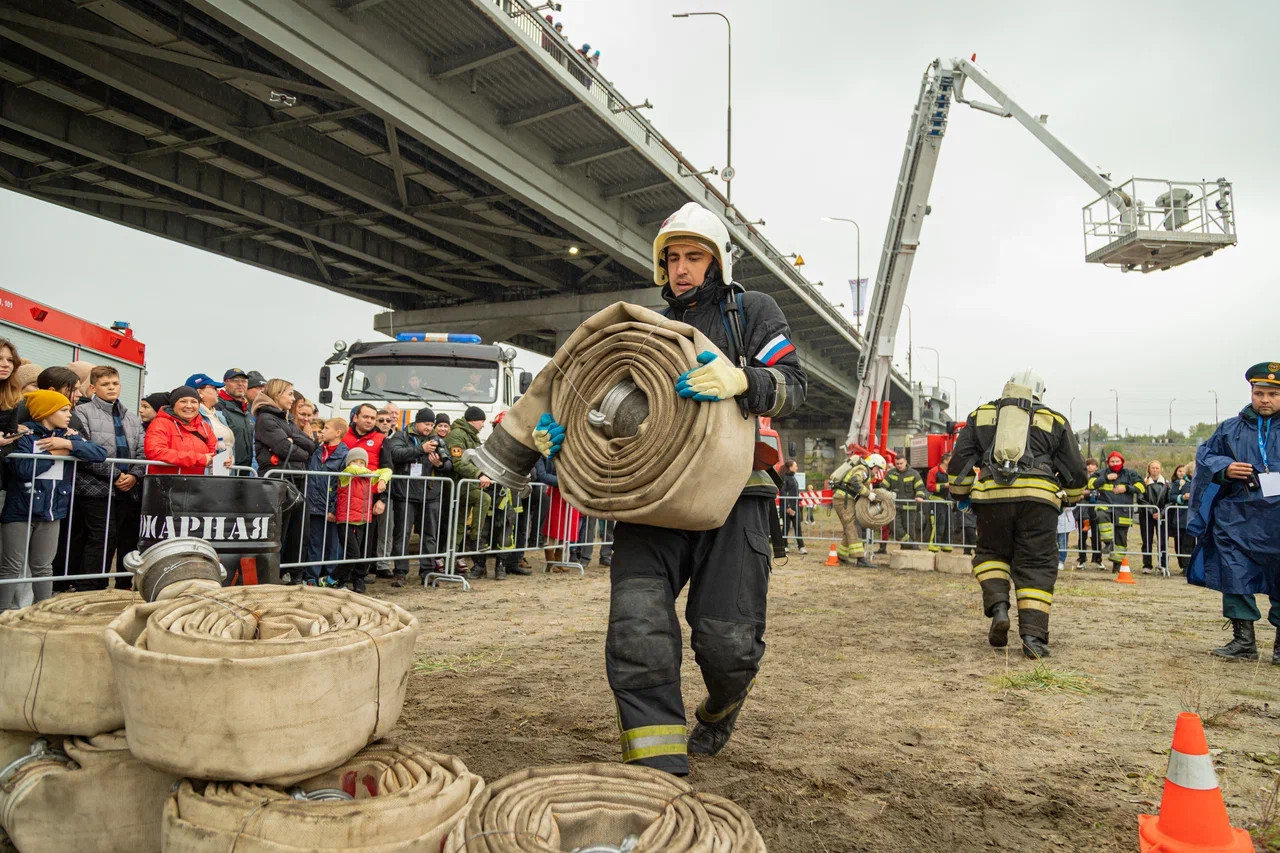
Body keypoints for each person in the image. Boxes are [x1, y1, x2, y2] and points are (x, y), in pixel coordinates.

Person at [529, 201, 807, 775]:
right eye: (672, 258)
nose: (681, 268)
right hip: (651, 502)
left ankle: (722, 705)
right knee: (637, 630)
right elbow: (598, 404)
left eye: (694, 256)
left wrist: (743, 378)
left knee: (727, 644)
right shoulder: (638, 331)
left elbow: (793, 386)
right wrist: (565, 431)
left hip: (737, 497)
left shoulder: (751, 312)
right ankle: (658, 771)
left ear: (718, 262)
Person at [948, 369, 1088, 659]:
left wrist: (960, 495)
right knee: (1037, 564)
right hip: (1038, 502)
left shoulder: (981, 415)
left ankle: (999, 608)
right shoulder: (1055, 419)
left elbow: (960, 461)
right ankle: (1033, 639)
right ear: (1039, 391)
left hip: (991, 499)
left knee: (990, 554)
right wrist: (1068, 500)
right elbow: (1075, 471)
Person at [1189, 362, 1280, 664]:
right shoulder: (1230, 428)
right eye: (1259, 393)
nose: (1264, 400)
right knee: (1235, 575)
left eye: (1272, 394)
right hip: (1237, 519)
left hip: (1277, 521)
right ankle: (1243, 641)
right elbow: (1205, 456)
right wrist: (1224, 468)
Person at [0, 390, 107, 608]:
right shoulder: (25, 436)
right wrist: (55, 455)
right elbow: (23, 468)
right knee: (12, 565)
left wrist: (69, 446)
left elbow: (100, 453)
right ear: (47, 412)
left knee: (43, 566)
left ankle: (43, 610)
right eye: (64, 410)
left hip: (52, 511)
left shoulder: (68, 436)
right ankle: (2, 612)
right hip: (21, 510)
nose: (70, 414)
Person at [69, 366, 146, 591]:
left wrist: (134, 475)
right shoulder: (82, 413)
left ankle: (123, 585)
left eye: (115, 383)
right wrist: (114, 474)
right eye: (105, 384)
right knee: (100, 538)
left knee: (126, 539)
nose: (111, 387)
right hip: (94, 487)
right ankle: (91, 587)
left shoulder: (132, 417)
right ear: (93, 388)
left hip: (128, 489)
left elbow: (143, 451)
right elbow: (83, 449)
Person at [253, 378, 315, 577]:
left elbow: (311, 444)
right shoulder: (266, 418)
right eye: (289, 394)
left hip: (293, 477)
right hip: (278, 480)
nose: (292, 399)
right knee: (281, 529)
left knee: (296, 529)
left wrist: (292, 438)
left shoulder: (284, 419)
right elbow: (283, 447)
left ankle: (292, 571)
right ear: (277, 394)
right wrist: (298, 447)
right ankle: (274, 572)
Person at [385, 407, 454, 587]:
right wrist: (419, 449)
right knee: (402, 534)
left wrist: (439, 464)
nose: (429, 427)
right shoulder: (402, 436)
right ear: (417, 422)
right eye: (426, 424)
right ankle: (400, 572)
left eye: (432, 424)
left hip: (430, 494)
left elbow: (449, 465)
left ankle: (427, 571)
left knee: (430, 536)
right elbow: (394, 454)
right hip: (405, 494)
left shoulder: (436, 439)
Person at [330, 446, 390, 594]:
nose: (358, 465)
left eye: (362, 462)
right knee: (353, 554)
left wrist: (381, 479)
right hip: (346, 520)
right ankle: (333, 578)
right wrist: (373, 473)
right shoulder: (346, 474)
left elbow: (388, 471)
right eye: (355, 461)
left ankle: (350, 579)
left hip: (363, 519)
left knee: (361, 553)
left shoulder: (369, 478)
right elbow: (354, 470)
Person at [446, 406, 496, 580]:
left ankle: (451, 563)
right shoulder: (457, 435)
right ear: (473, 420)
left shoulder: (472, 437)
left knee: (458, 526)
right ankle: (475, 540)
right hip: (458, 485)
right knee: (484, 499)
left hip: (468, 486)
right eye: (482, 421)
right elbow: (458, 462)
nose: (483, 425)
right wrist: (478, 475)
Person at [304, 417, 349, 585]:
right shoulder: (317, 451)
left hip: (332, 509)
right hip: (314, 506)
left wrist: (333, 508)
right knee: (315, 542)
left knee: (333, 545)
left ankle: (331, 578)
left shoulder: (344, 454)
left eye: (327, 428)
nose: (323, 431)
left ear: (338, 433)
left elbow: (342, 486)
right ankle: (311, 577)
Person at [1088, 451, 1145, 571]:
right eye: (1112, 461)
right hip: (1105, 504)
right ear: (1108, 463)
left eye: (1117, 461)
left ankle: (1117, 564)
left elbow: (1142, 486)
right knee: (1101, 514)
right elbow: (1091, 484)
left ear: (1122, 462)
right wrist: (1105, 478)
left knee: (1121, 537)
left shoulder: (1130, 474)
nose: (1115, 464)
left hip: (1123, 508)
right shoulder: (1101, 473)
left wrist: (1126, 488)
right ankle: (1108, 542)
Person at [143, 387, 219, 475]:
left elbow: (215, 452)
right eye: (183, 401)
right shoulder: (160, 423)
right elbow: (156, 452)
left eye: (194, 402)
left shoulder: (204, 426)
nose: (189, 406)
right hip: (166, 483)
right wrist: (198, 459)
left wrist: (223, 460)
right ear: (173, 404)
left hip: (198, 484)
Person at [830, 450, 885, 568]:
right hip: (844, 500)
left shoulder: (865, 470)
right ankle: (860, 558)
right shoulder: (863, 470)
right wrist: (868, 494)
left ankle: (842, 556)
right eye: (878, 468)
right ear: (873, 464)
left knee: (849, 528)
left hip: (845, 499)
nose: (878, 471)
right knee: (853, 527)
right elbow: (855, 482)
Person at [188, 373, 234, 464]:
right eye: (214, 388)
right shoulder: (192, 416)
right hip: (207, 471)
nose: (218, 392)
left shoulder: (219, 415)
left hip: (225, 470)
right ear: (200, 392)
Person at [216, 369, 255, 470]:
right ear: (225, 383)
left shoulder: (250, 409)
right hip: (229, 467)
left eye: (244, 381)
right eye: (235, 380)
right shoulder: (218, 406)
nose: (240, 384)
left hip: (249, 469)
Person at [885, 455, 927, 549]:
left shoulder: (914, 474)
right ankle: (912, 545)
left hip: (909, 508)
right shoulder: (891, 473)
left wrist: (919, 496)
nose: (899, 466)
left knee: (910, 530)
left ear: (906, 462)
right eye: (897, 464)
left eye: (901, 463)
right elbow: (884, 487)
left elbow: (920, 487)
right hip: (894, 507)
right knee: (895, 528)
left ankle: (908, 550)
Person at [1139, 460, 1170, 574]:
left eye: (1157, 468)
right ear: (1149, 469)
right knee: (1147, 540)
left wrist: (1161, 513)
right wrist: (1152, 511)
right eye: (1153, 468)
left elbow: (1170, 500)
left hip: (1162, 516)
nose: (1155, 470)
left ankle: (1163, 564)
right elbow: (1140, 499)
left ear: (1160, 469)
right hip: (1146, 515)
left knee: (1162, 541)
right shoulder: (1143, 483)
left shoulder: (1166, 484)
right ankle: (1147, 564)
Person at [926, 451, 954, 553]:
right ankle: (933, 544)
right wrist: (945, 485)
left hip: (947, 502)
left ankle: (946, 544)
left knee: (948, 525)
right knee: (937, 524)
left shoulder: (951, 472)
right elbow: (930, 486)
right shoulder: (934, 471)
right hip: (936, 502)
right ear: (945, 461)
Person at [1168, 463, 1195, 572]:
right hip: (1181, 518)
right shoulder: (1179, 483)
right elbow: (1172, 496)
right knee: (1181, 543)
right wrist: (1182, 497)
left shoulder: (1200, 483)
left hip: (1194, 518)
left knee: (1192, 543)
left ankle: (1191, 566)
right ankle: (1185, 566)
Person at [343, 403, 385, 469]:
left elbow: (386, 467)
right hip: (344, 479)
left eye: (372, 418)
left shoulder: (382, 439)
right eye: (365, 417)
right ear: (355, 418)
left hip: (370, 479)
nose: (369, 421)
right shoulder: (342, 434)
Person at [1076, 457, 1101, 567]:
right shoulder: (1081, 477)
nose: (1090, 466)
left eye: (1092, 464)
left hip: (1096, 509)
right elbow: (1078, 491)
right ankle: (1082, 559)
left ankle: (1097, 560)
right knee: (1083, 535)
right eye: (1088, 464)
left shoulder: (1100, 477)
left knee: (1096, 535)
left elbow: (1098, 492)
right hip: (1083, 509)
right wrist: (1086, 493)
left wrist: (1086, 493)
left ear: (1096, 466)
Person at [779, 459, 806, 555]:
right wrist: (788, 507)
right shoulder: (784, 478)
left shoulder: (794, 478)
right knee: (785, 527)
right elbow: (783, 493)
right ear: (790, 467)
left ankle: (801, 546)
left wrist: (798, 499)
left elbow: (794, 492)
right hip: (787, 507)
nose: (797, 467)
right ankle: (784, 546)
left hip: (795, 507)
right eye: (795, 465)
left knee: (797, 527)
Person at [1056, 506, 1076, 570]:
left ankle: (1061, 561)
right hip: (1053, 522)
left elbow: (1074, 505)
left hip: (1065, 523)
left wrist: (1065, 507)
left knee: (1062, 544)